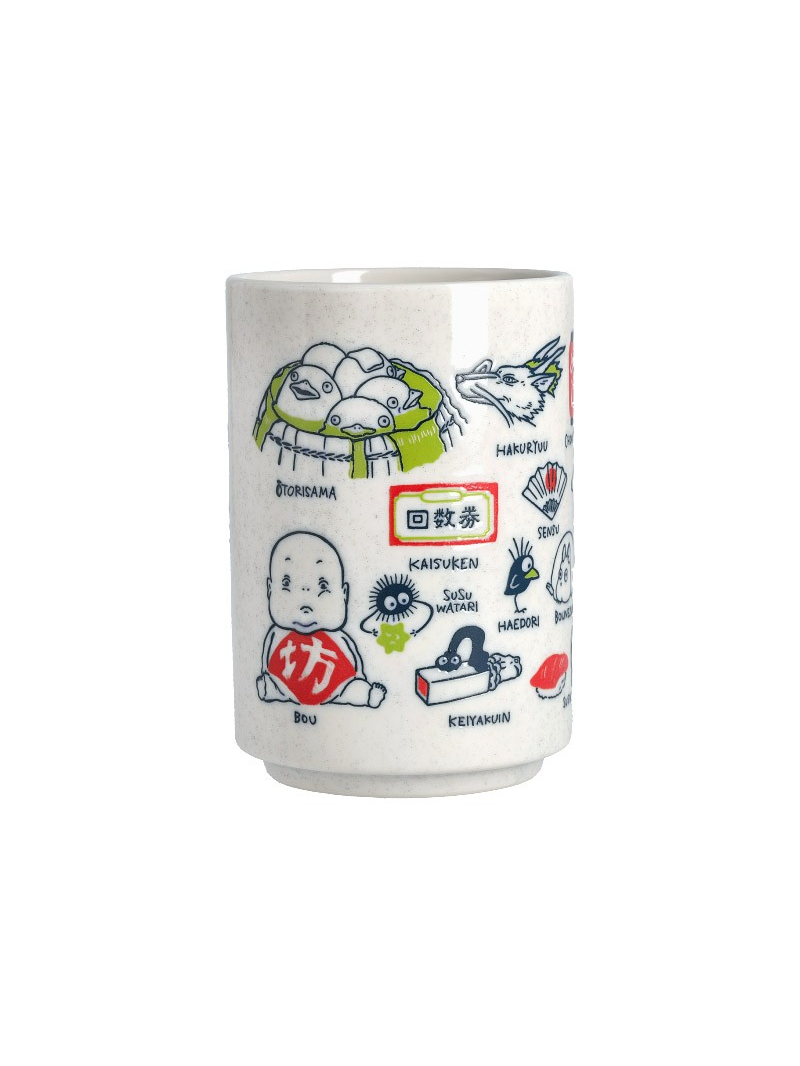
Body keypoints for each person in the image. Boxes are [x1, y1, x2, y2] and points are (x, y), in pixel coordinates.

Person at [256, 531, 386, 708]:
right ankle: (269, 689)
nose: (305, 602)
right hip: (283, 687)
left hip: (337, 687)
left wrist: (360, 679)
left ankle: (367, 695)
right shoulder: (276, 635)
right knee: (275, 684)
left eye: (323, 586)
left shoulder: (340, 639)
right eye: (287, 584)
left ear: (344, 594)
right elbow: (266, 661)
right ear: (270, 590)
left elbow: (356, 666)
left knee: (351, 688)